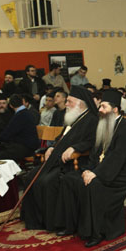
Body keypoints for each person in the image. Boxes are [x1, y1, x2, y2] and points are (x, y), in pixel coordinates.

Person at [55, 90, 126, 247]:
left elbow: (118, 158)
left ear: (115, 109)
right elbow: (95, 153)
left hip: (124, 171)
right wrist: (88, 170)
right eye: (100, 106)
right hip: (103, 168)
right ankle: (71, 225)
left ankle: (97, 232)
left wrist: (96, 173)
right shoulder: (103, 125)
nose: (100, 110)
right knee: (70, 179)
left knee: (94, 184)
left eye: (103, 107)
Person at [21, 86, 98, 232]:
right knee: (31, 176)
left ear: (81, 104)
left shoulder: (92, 120)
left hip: (74, 162)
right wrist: (52, 147)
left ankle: (52, 222)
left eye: (69, 101)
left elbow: (93, 141)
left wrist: (75, 148)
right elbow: (61, 138)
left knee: (47, 181)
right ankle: (35, 219)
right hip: (57, 159)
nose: (66, 104)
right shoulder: (72, 118)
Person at [0, 94, 39, 163]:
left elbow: (8, 133)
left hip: (25, 147)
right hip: (28, 145)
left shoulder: (19, 115)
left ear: (10, 105)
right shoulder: (27, 112)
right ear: (22, 102)